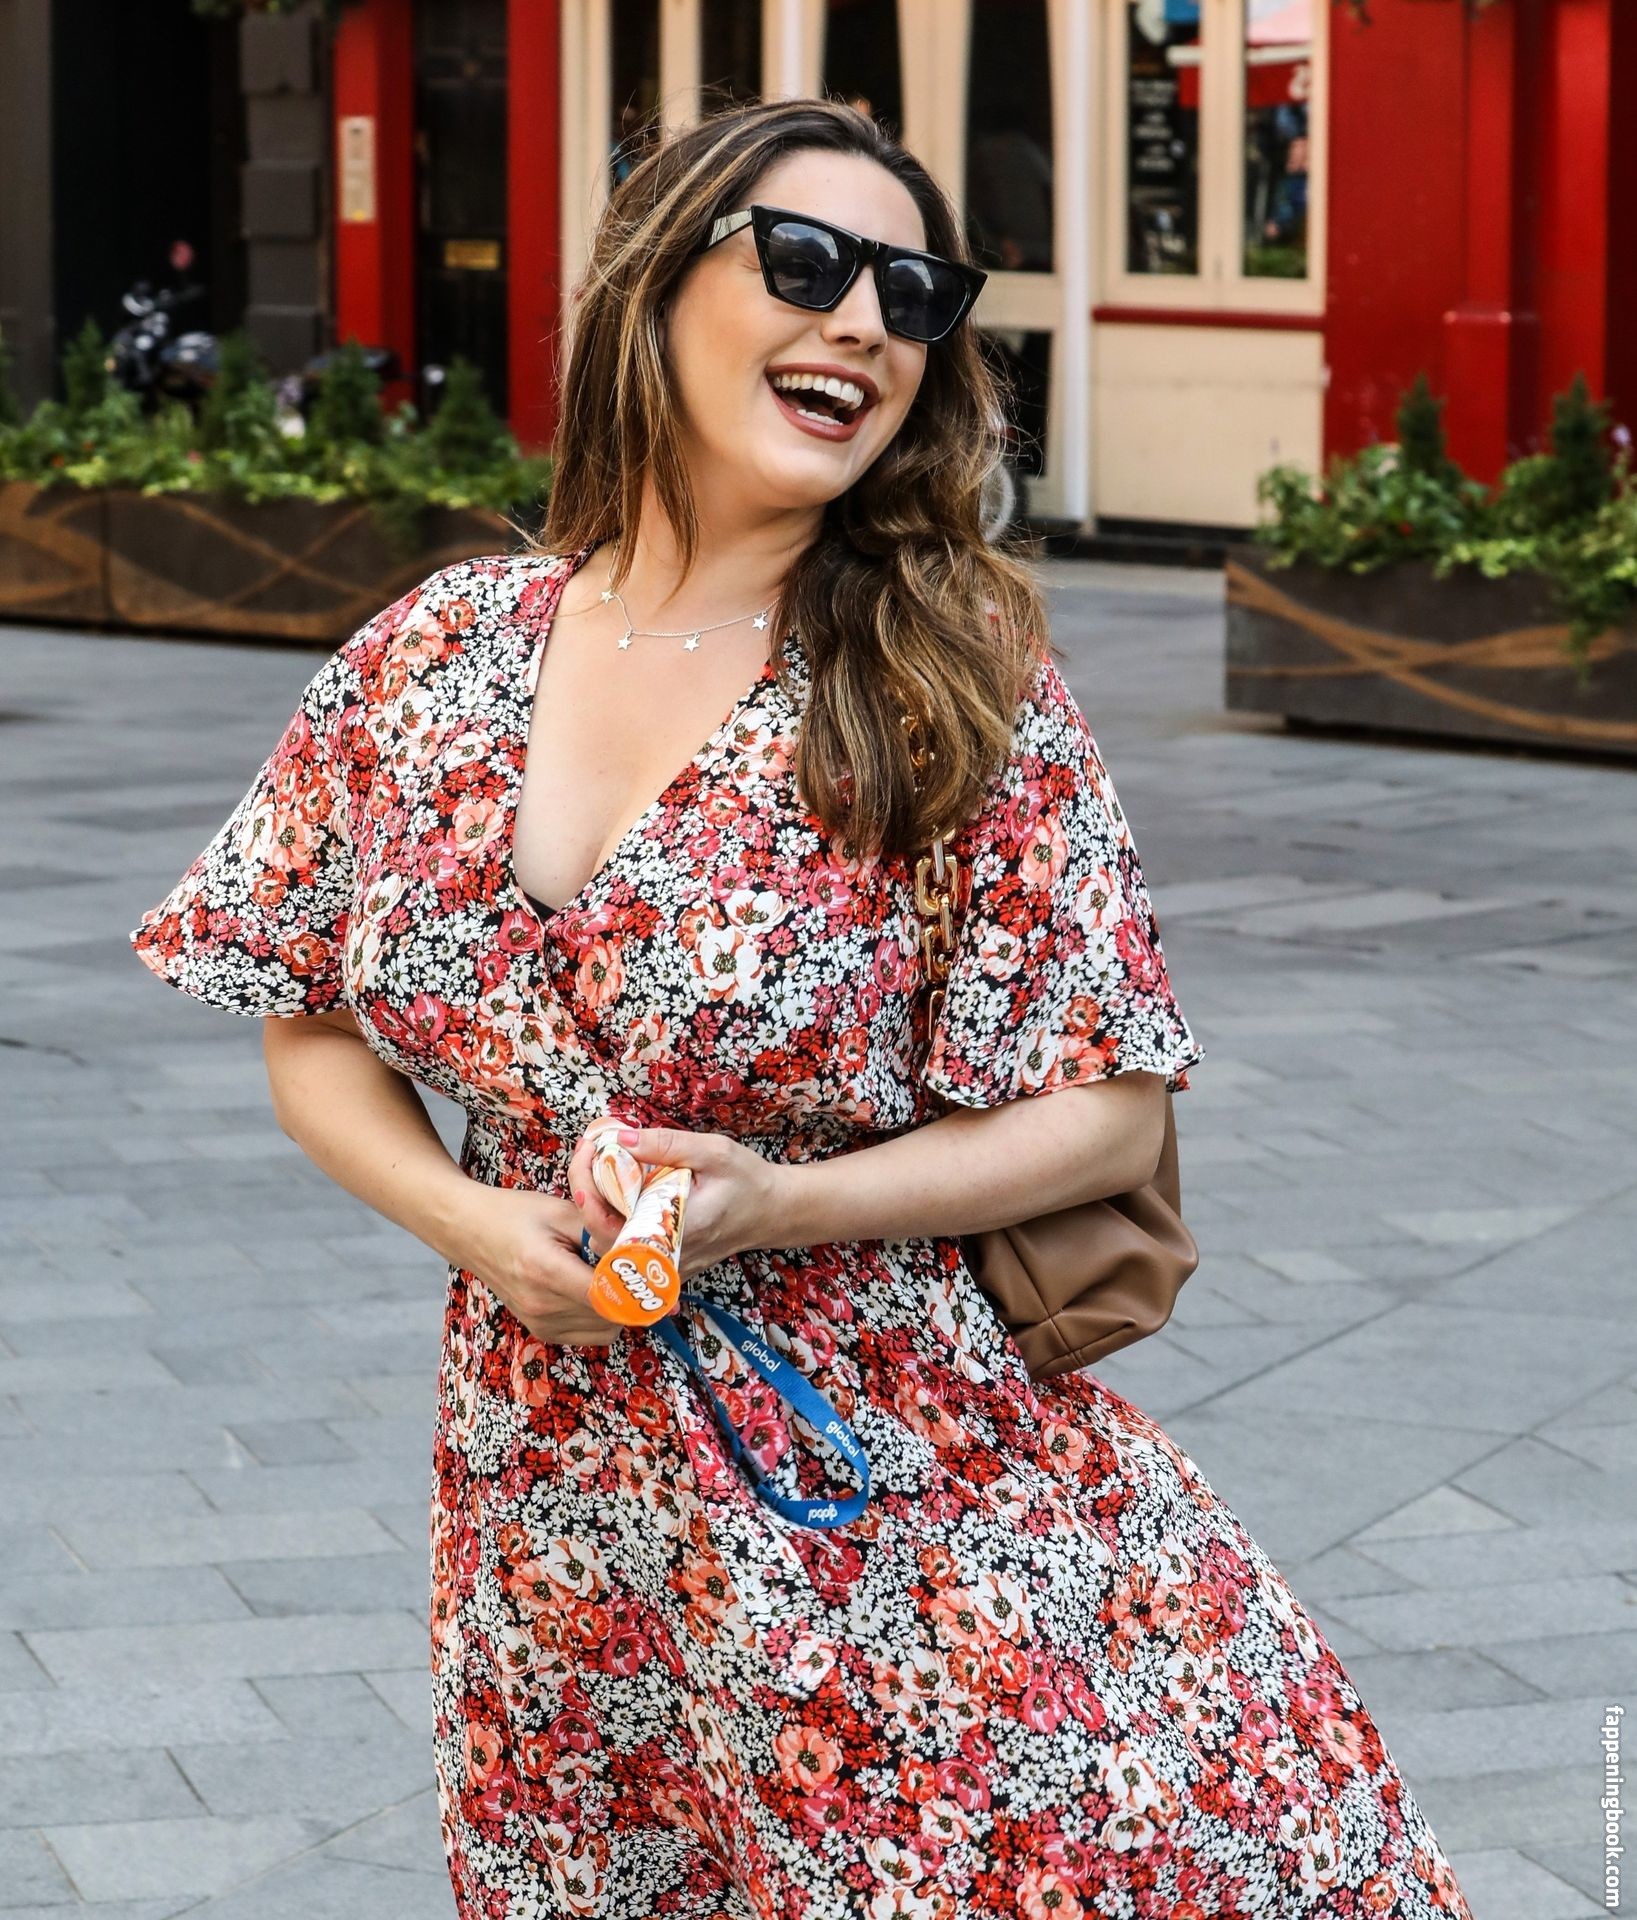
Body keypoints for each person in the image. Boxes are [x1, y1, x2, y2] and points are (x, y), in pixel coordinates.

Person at [130, 97, 1473, 1920]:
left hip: (883, 1461)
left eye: (911, 294)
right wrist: (470, 1221)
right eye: (806, 262)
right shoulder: (432, 655)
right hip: (548, 1486)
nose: (862, 321)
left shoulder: (942, 675)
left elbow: (1110, 1108)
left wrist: (778, 1201)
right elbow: (305, 1021)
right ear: (653, 282)